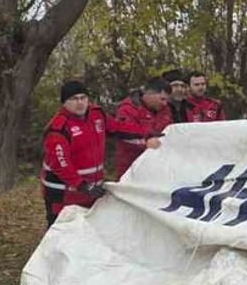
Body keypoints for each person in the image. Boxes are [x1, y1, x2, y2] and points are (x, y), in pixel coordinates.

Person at [41, 80, 160, 228]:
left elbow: (117, 128)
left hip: (89, 191)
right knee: (61, 231)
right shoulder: (59, 128)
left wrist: (146, 133)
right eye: (74, 99)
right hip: (62, 194)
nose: (80, 102)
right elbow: (60, 164)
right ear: (64, 102)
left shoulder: (96, 114)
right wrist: (82, 186)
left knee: (87, 231)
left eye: (83, 97)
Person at [113, 78, 173, 177]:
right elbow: (123, 136)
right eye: (162, 99)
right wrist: (145, 143)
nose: (165, 103)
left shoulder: (165, 110)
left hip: (158, 166)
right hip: (131, 167)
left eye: (167, 100)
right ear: (149, 94)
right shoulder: (127, 109)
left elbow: (169, 130)